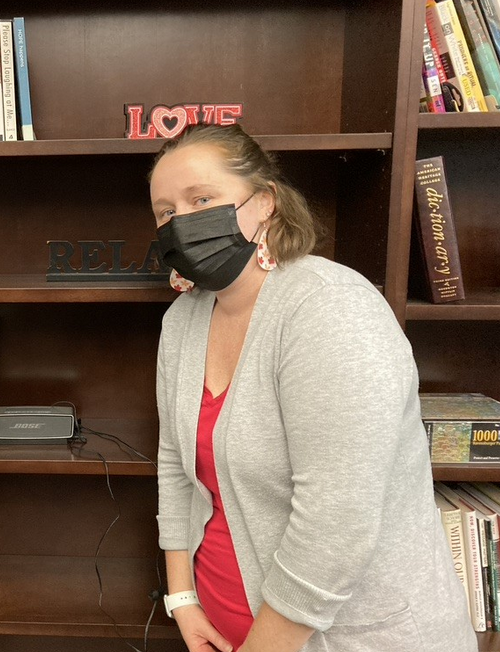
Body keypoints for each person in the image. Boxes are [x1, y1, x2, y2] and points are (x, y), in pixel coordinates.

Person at [151, 123, 475, 652]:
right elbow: (175, 464)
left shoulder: (329, 308)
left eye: (201, 198)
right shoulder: (182, 322)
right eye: (165, 211)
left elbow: (336, 517)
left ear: (266, 203)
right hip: (219, 626)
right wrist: (182, 598)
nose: (181, 222)